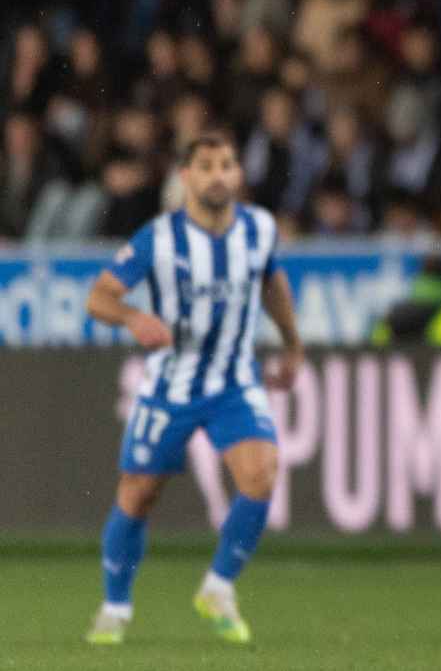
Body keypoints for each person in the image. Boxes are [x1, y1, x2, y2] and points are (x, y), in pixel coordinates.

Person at [82, 131, 303, 646]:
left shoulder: (260, 228)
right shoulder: (156, 239)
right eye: (206, 166)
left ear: (238, 174)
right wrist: (133, 317)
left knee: (262, 474)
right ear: (185, 177)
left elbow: (273, 283)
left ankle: (218, 587)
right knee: (138, 495)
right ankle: (115, 608)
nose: (218, 175)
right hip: (171, 384)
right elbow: (99, 297)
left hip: (234, 379)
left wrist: (292, 344)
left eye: (227, 164)